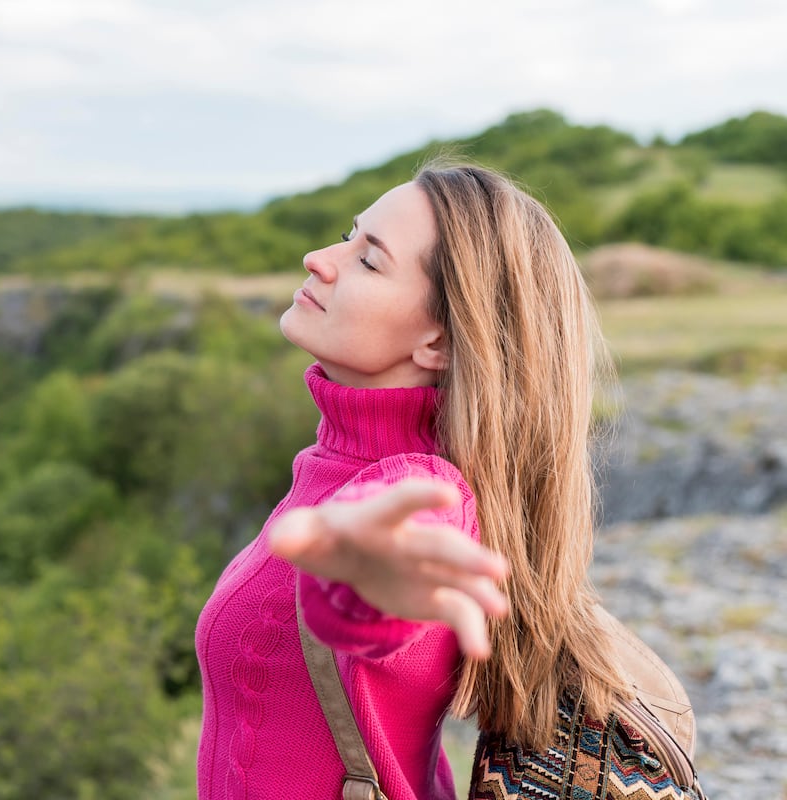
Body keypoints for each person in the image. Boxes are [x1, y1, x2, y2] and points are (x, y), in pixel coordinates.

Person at [194, 161, 630, 800]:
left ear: (440, 342)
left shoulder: (420, 491)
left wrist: (365, 579)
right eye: (349, 235)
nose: (319, 258)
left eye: (370, 261)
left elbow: (381, 582)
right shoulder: (339, 460)